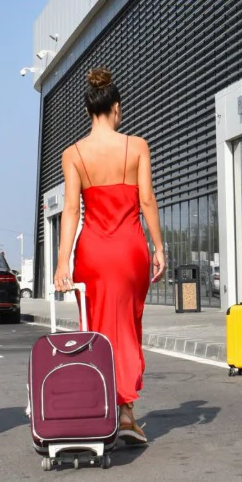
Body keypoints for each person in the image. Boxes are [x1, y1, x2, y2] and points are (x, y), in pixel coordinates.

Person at [54, 68, 165, 445]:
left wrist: (61, 262)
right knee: (128, 326)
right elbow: (147, 199)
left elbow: (70, 210)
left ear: (89, 111)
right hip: (130, 249)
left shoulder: (73, 154)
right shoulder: (137, 146)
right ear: (116, 108)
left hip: (93, 252)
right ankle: (126, 411)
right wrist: (159, 247)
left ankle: (103, 408)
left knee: (96, 328)